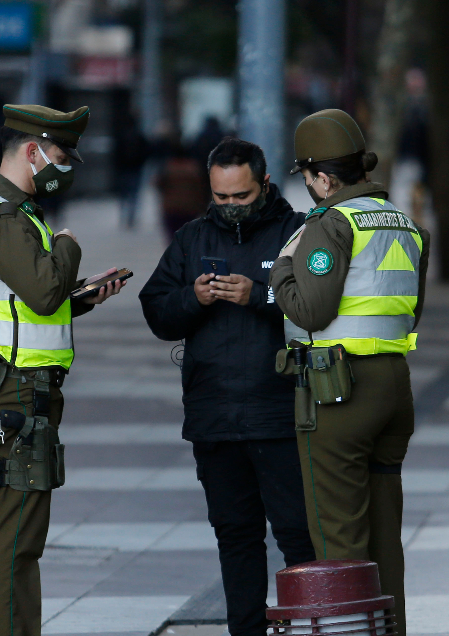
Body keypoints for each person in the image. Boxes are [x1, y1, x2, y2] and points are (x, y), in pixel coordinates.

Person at [0, 103, 125, 636]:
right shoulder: (5, 219)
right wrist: (69, 248)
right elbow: (45, 290)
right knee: (16, 539)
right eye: (59, 156)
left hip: (19, 391)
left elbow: (26, 306)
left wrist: (86, 298)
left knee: (21, 535)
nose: (65, 168)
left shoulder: (14, 214)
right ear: (31, 152)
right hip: (16, 394)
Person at [139, 137, 314, 636]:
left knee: (298, 539)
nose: (232, 207)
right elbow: (157, 310)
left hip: (280, 417)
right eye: (221, 197)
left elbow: (319, 309)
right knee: (235, 539)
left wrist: (260, 297)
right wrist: (193, 298)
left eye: (241, 196)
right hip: (215, 419)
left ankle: (307, 628)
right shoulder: (193, 240)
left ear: (263, 184)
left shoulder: (295, 233)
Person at [269, 109, 431, 636]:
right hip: (393, 385)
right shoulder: (402, 223)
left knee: (339, 538)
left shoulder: (329, 225)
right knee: (386, 536)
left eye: (308, 178)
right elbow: (411, 309)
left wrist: (282, 271)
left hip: (339, 391)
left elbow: (310, 311)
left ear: (322, 176)